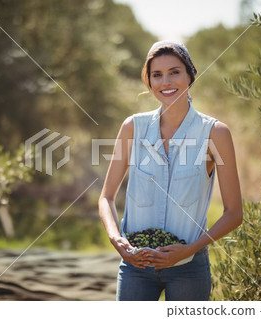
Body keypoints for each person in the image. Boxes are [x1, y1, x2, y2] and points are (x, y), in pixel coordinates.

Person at [98, 40, 243, 301]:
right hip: (135, 267)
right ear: (149, 81)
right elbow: (106, 197)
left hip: (189, 271)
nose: (166, 82)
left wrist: (189, 250)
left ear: (190, 75)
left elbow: (234, 214)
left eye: (174, 72)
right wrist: (115, 238)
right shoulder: (133, 128)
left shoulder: (215, 133)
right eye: (157, 75)